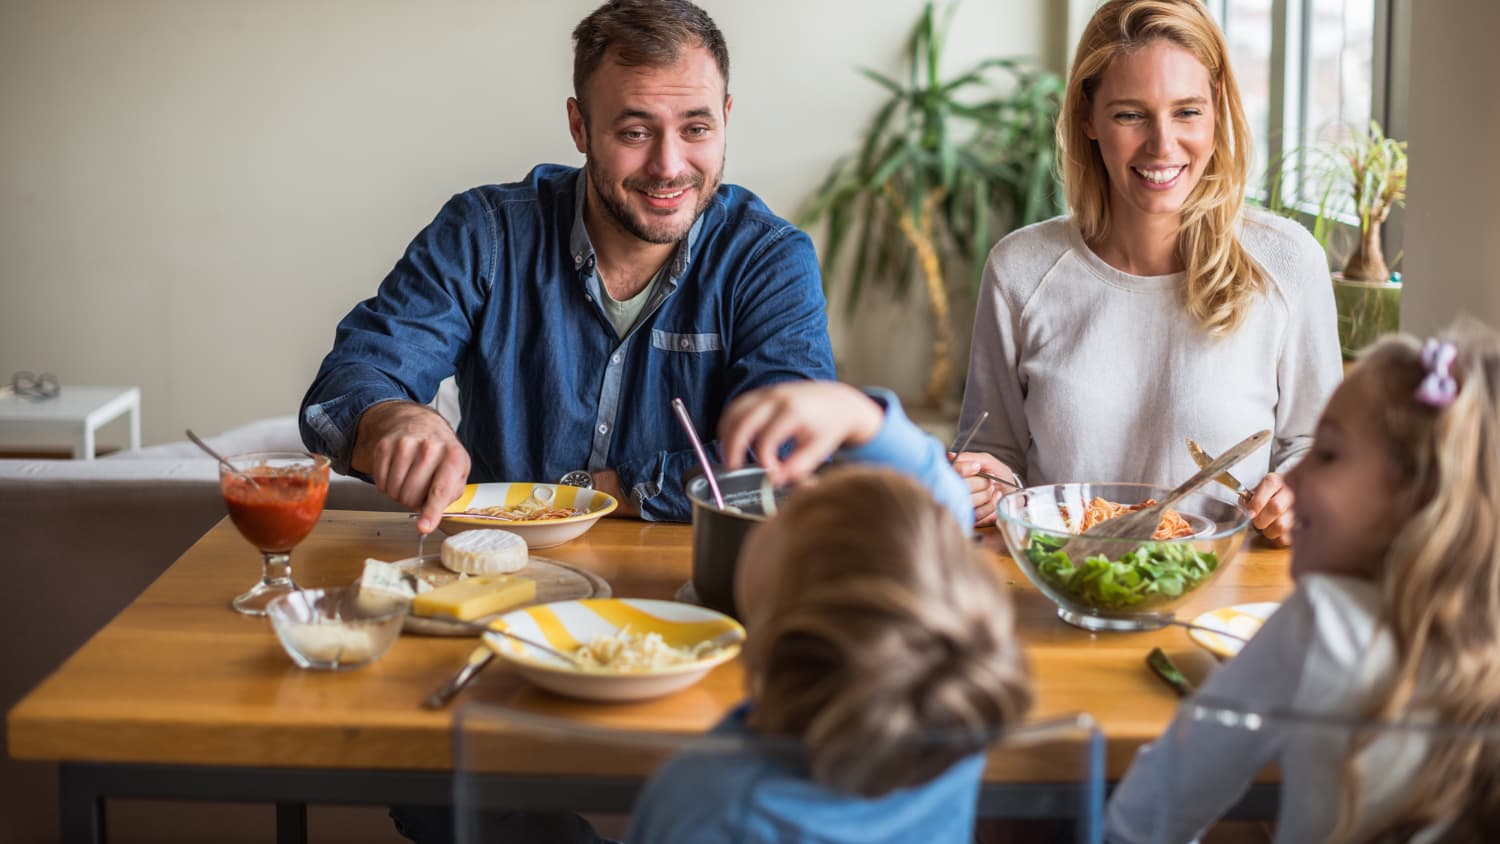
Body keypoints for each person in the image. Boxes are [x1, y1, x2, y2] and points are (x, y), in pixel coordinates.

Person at [299, 0, 835, 530]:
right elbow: (345, 388)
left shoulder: (769, 260)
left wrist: (584, 495)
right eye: (634, 132)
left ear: (725, 117)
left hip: (685, 582)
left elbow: (789, 463)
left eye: (696, 129)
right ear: (579, 127)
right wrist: (392, 419)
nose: (669, 167)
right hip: (492, 572)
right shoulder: (483, 233)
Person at [953, 0, 1340, 544]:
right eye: (1130, 115)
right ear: (1087, 117)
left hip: (1226, 595)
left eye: (1187, 111)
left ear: (1217, 110)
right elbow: (996, 454)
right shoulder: (1020, 269)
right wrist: (981, 485)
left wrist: (1300, 493)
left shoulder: (1288, 262)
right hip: (1062, 582)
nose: (1163, 145)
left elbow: (1319, 451)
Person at [1106, 322, 1500, 842]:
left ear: (1417, 498)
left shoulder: (1321, 621)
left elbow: (1146, 815)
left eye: (1329, 454)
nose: (1289, 479)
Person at [626, 380, 1033, 843]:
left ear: (776, 626)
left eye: (790, 515)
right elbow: (935, 518)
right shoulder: (949, 737)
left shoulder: (702, 799)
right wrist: (864, 419)